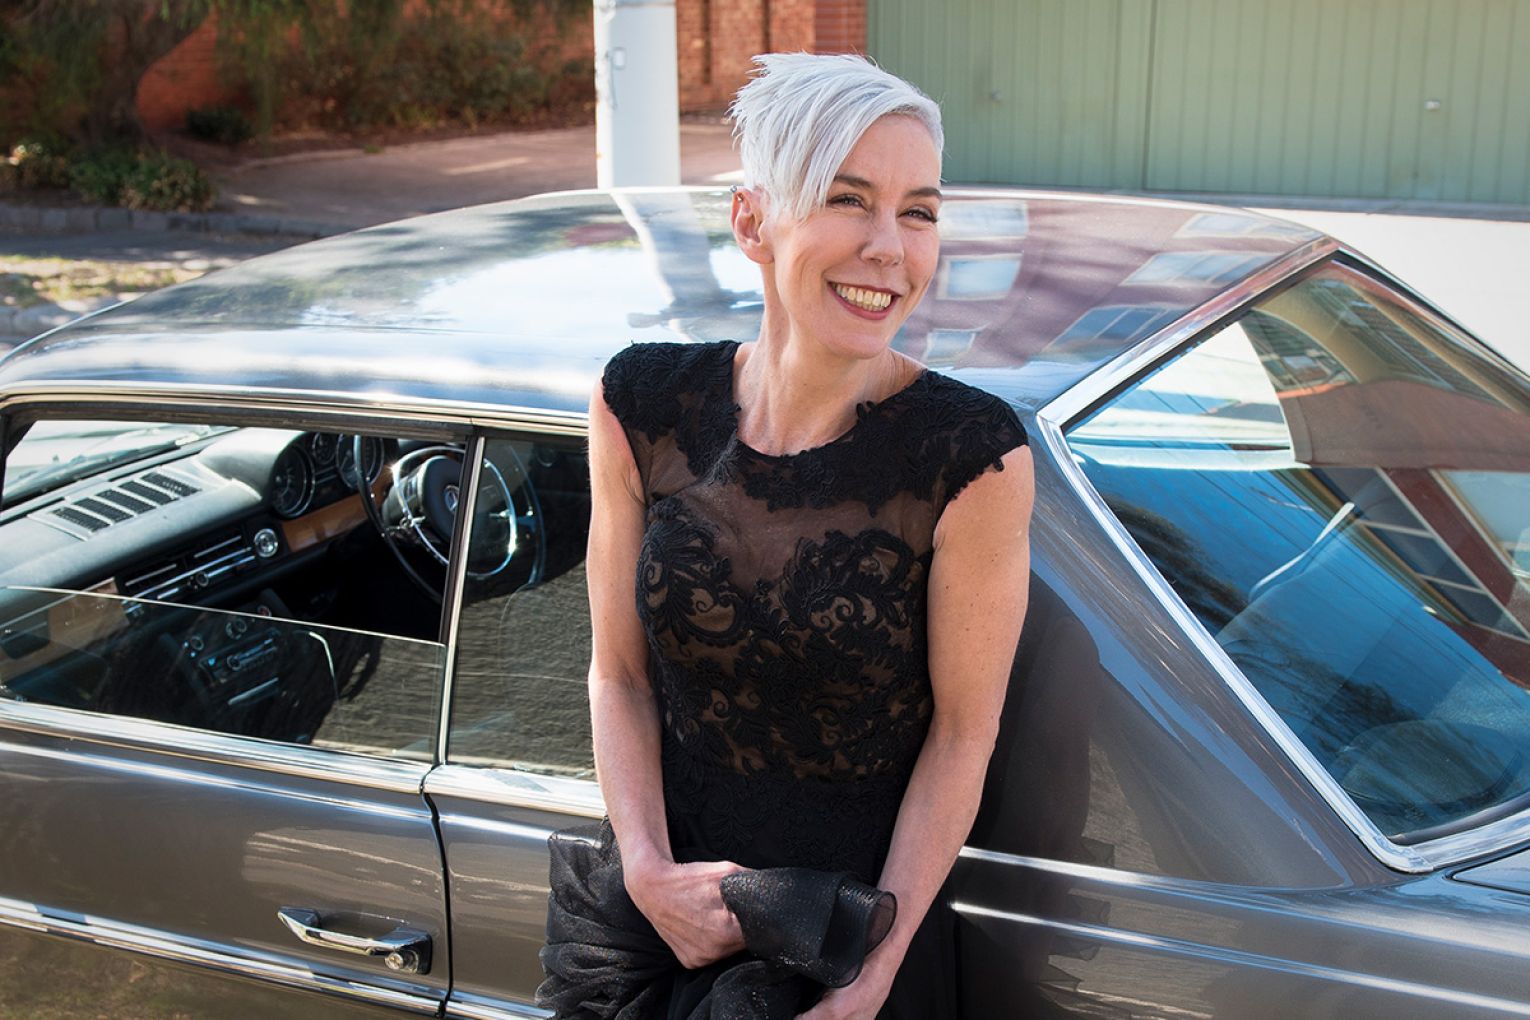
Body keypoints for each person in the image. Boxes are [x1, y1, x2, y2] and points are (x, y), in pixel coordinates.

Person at [580, 52, 1034, 1019]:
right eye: (848, 199)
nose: (890, 249)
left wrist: (869, 984)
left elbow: (965, 734)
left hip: (851, 947)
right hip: (656, 925)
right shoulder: (640, 404)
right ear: (752, 222)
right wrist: (649, 871)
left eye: (918, 211)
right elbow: (616, 674)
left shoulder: (970, 456)